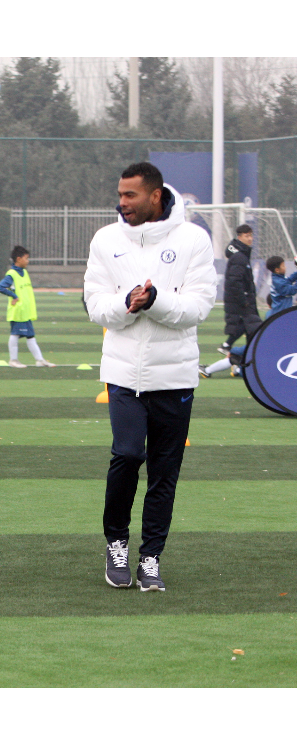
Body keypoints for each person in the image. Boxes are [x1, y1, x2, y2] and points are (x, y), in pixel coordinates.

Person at [84, 162, 216, 592]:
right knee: (126, 455)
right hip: (123, 374)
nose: (121, 203)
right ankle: (117, 543)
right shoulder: (106, 239)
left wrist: (155, 300)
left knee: (165, 470)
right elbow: (96, 305)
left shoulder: (194, 239)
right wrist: (128, 301)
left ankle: (151, 558)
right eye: (120, 195)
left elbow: (198, 308)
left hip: (176, 377)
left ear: (155, 196)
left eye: (130, 196)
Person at [0, 246, 55, 368]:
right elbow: (0, 287)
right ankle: (13, 360)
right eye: (26, 258)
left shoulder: (24, 273)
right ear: (18, 259)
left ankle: (39, 360)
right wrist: (14, 296)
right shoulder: (12, 274)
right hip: (18, 311)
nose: (28, 261)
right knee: (15, 334)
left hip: (26, 312)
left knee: (30, 336)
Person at [220, 225, 260, 353]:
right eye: (246, 236)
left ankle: (232, 350)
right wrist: (244, 299)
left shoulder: (242, 255)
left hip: (243, 298)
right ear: (239, 237)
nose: (250, 238)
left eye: (251, 235)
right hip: (241, 300)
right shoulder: (239, 257)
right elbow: (234, 281)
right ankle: (227, 345)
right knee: (252, 325)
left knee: (250, 328)